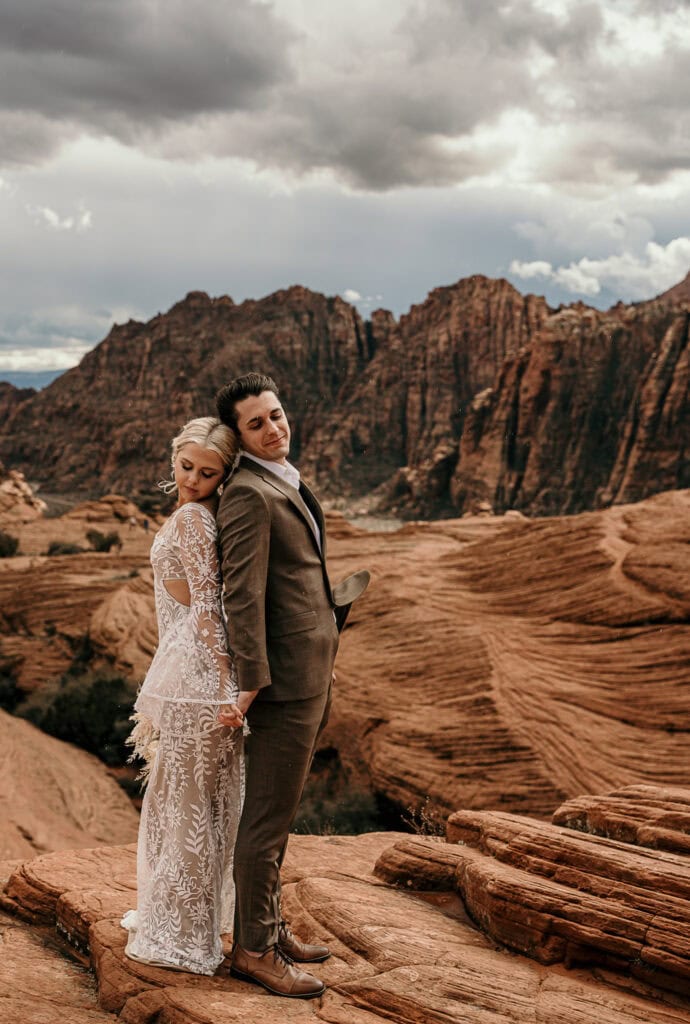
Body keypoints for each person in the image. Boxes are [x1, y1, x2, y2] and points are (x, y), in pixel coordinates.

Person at [215, 372, 368, 1000]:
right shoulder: (249, 493)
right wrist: (250, 683)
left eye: (276, 414)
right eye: (257, 423)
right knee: (266, 821)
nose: (274, 428)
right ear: (239, 435)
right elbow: (241, 597)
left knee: (280, 814)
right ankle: (252, 950)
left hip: (309, 669)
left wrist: (323, 648)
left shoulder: (284, 478)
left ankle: (270, 930)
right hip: (279, 685)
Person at [122, 416, 245, 975]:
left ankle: (184, 934)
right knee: (193, 806)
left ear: (224, 475)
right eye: (185, 465)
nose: (193, 479)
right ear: (173, 457)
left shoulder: (195, 518)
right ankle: (177, 917)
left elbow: (207, 609)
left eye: (207, 472)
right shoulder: (196, 513)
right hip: (191, 679)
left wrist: (228, 686)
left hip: (198, 683)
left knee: (189, 807)